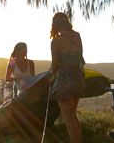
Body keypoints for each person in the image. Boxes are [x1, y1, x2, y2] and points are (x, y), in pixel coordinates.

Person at [48, 12, 84, 143]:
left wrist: (50, 74)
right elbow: (80, 57)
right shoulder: (77, 36)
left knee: (68, 120)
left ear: (55, 24)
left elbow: (54, 64)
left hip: (65, 80)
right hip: (78, 78)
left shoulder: (56, 42)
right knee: (73, 117)